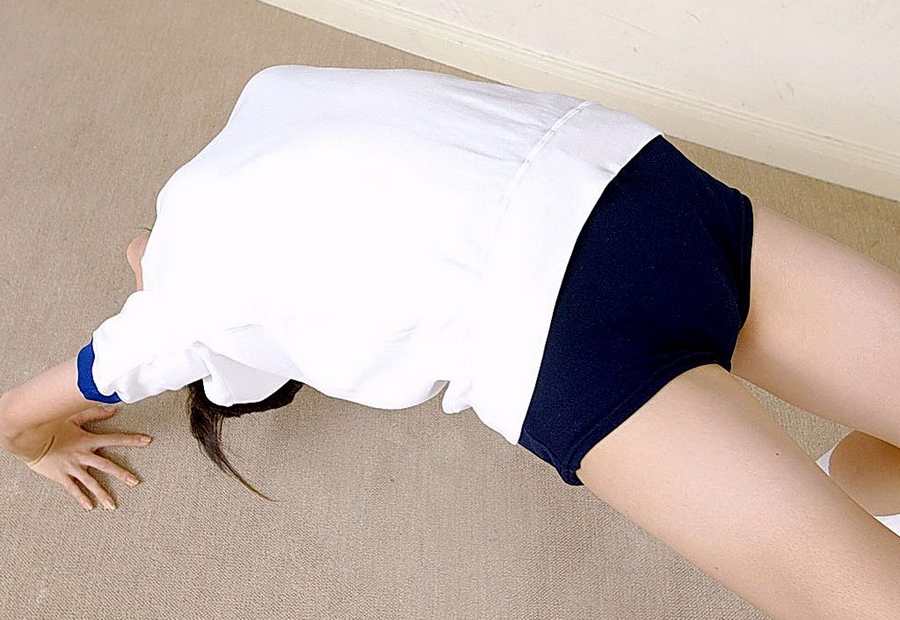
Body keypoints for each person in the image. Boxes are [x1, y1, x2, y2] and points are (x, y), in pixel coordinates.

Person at [1, 64, 899, 618]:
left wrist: (43, 446)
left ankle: (824, 514)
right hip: (636, 186)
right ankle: (826, 513)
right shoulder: (269, 97)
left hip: (559, 325)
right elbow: (147, 256)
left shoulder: (173, 322)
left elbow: (16, 415)